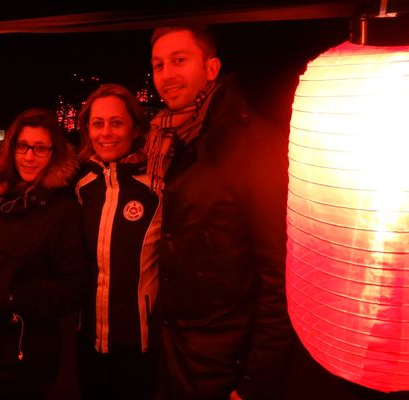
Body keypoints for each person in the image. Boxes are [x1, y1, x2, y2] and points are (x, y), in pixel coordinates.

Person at [147, 25, 293, 400]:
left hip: (225, 366)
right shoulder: (175, 140)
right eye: (159, 64)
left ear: (211, 69)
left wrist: (255, 383)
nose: (166, 74)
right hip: (177, 351)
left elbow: (278, 273)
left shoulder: (254, 145)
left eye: (179, 60)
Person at [0, 107, 87, 400]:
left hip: (20, 360)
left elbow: (72, 286)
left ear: (53, 154)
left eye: (40, 148)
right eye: (22, 146)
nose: (29, 156)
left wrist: (11, 297)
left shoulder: (63, 211)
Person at [74, 83, 162, 400]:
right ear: (87, 129)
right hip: (88, 340)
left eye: (116, 122)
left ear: (135, 127)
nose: (106, 133)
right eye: (98, 123)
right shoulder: (83, 186)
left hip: (140, 346)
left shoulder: (157, 187)